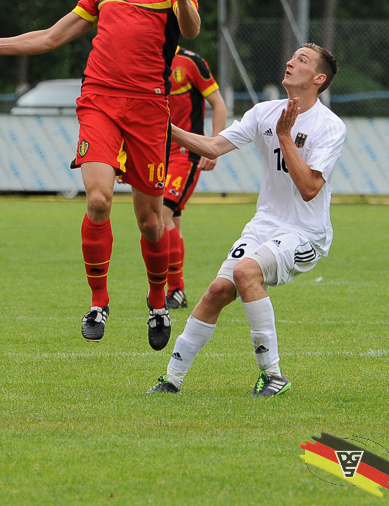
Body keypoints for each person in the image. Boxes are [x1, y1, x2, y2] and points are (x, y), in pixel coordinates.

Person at [0, 0, 201, 350]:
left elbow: (191, 30)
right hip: (99, 101)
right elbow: (50, 37)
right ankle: (98, 302)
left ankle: (158, 302)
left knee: (150, 221)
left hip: (149, 110)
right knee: (99, 199)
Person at [147, 43, 345, 396]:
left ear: (318, 79)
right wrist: (165, 126)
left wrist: (284, 136)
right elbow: (213, 147)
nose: (290, 61)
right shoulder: (264, 112)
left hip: (304, 234)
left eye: (301, 60)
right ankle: (171, 381)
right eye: (292, 56)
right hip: (264, 225)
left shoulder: (330, 126)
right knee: (217, 291)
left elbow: (309, 188)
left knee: (244, 272)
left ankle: (273, 376)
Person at [162, 47, 227, 310]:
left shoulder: (191, 62)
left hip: (184, 154)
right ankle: (177, 290)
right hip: (154, 153)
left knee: (162, 214)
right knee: (172, 220)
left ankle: (175, 288)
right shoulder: (143, 58)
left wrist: (214, 146)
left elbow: (219, 105)